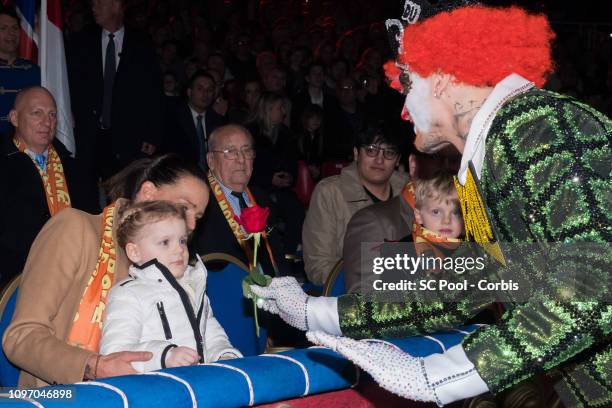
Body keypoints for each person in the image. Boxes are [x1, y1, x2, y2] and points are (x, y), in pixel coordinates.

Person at [249, 3, 611, 407]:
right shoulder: (484, 164)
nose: (403, 109)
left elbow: (597, 279)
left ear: (439, 75)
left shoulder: (539, 126)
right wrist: (317, 311)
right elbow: (467, 284)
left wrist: (437, 375)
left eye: (407, 82)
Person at [3, 154, 208, 388]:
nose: (191, 225)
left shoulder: (174, 262)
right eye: (184, 208)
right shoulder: (76, 229)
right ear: (148, 193)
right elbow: (21, 337)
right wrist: (94, 366)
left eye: (198, 217)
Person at [100, 201, 240, 372]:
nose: (179, 249)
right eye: (165, 242)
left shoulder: (193, 285)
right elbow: (115, 354)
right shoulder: (127, 293)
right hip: (155, 389)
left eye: (182, 241)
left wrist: (222, 354)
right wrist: (164, 356)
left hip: (198, 383)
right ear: (134, 252)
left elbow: (212, 333)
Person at [0, 87, 94, 288]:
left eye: (52, 115)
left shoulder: (72, 165)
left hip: (74, 273)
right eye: (37, 113)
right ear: (15, 118)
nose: (47, 122)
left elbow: (92, 219)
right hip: (17, 277)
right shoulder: (4, 164)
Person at [67, 0, 164, 182]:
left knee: (122, 195)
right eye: (92, 3)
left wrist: (152, 134)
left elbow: (153, 92)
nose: (93, 7)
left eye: (99, 3)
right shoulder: (81, 40)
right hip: (87, 133)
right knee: (84, 193)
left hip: (127, 135)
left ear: (116, 6)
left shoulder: (141, 43)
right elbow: (70, 82)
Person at [302, 126, 408, 285]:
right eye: (371, 151)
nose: (379, 160)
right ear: (357, 153)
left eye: (389, 153)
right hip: (349, 294)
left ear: (398, 160)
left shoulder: (411, 192)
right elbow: (318, 266)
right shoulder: (330, 193)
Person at [191, 124, 291, 277]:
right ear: (211, 160)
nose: (241, 159)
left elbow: (277, 256)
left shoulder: (261, 198)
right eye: (230, 152)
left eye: (246, 151)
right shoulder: (198, 203)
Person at [164, 70, 227, 169]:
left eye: (209, 90)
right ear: (189, 92)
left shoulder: (217, 120)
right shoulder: (173, 117)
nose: (205, 94)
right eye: (200, 89)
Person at [0, 6, 40, 137]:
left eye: (14, 28)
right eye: (3, 28)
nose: (11, 33)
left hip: (25, 144)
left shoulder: (33, 71)